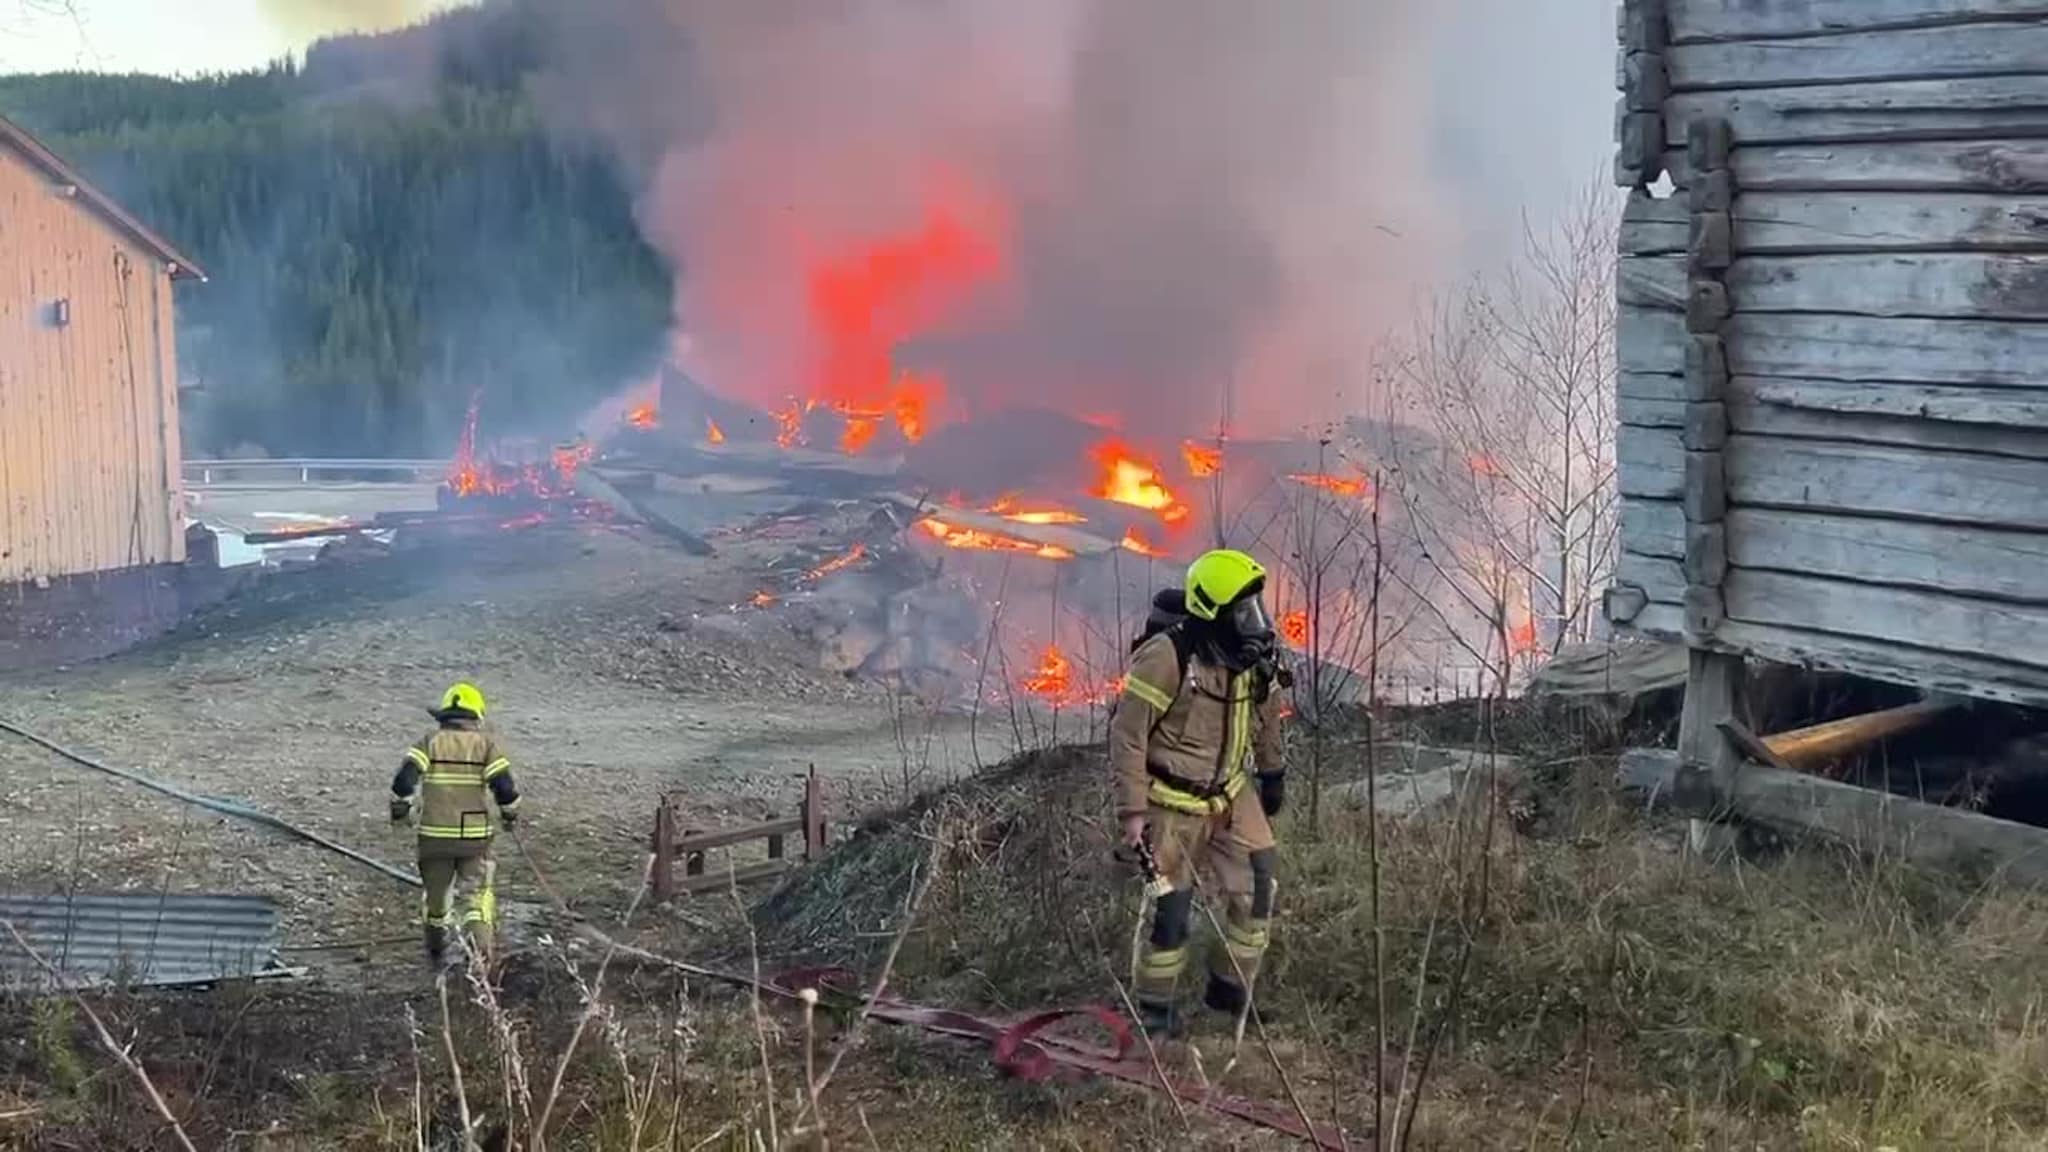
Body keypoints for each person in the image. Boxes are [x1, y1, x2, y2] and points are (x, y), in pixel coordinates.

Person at [1109, 548, 1288, 1037]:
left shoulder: (1254, 656)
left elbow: (1267, 714)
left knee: (1258, 889)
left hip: (1231, 795)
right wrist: (1132, 810)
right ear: (1214, 612)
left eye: (1257, 607)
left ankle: (1229, 990)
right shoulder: (1168, 656)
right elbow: (1127, 735)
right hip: (1170, 802)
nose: (1255, 621)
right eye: (1242, 611)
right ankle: (1155, 1012)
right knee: (1172, 915)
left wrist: (1272, 774)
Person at [390, 682, 523, 971]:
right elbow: (506, 790)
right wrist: (510, 816)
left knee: (437, 901)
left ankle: (436, 950)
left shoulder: (429, 742)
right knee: (476, 897)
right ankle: (482, 961)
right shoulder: (486, 746)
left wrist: (401, 811)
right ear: (476, 716)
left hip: (434, 835)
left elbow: (403, 783)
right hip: (474, 837)